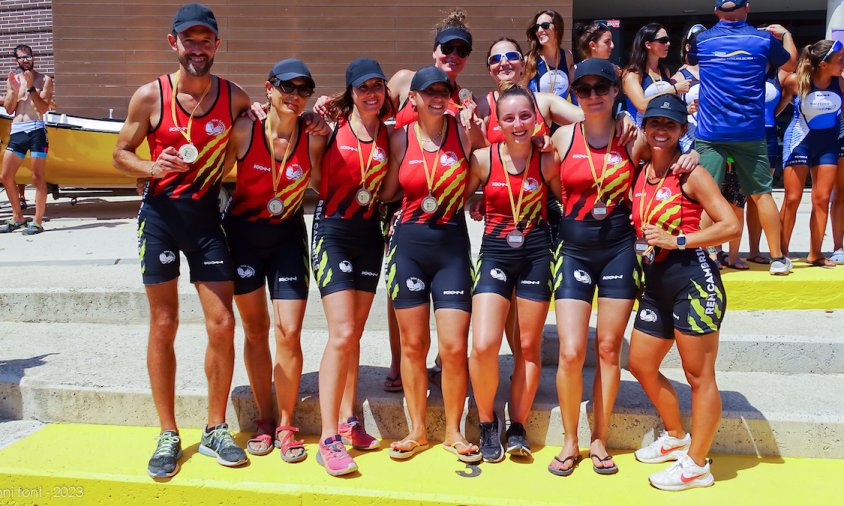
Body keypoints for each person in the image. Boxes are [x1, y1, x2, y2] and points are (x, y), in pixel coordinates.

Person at [112, 3, 253, 479]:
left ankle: (215, 429)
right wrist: (150, 168)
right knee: (164, 323)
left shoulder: (233, 97)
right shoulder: (150, 97)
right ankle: (168, 433)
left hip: (207, 220)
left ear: (217, 45)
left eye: (206, 40)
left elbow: (264, 130)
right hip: (161, 219)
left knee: (221, 323)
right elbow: (120, 153)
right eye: (189, 40)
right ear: (173, 43)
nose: (198, 48)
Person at [629, 94, 740, 491]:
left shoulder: (691, 174)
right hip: (656, 281)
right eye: (654, 123)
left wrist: (679, 240)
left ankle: (696, 466)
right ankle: (676, 436)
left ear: (682, 132)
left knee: (699, 376)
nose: (661, 130)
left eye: (670, 125)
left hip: (694, 279)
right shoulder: (641, 171)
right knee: (640, 363)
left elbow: (730, 226)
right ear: (645, 127)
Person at [222, 58, 327, 468]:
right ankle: (263, 418)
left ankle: (285, 423)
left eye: (304, 90)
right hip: (244, 238)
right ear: (269, 88)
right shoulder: (245, 129)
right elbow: (209, 167)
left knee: (289, 331)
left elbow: (331, 182)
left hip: (286, 237)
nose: (296, 96)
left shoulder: (313, 138)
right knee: (254, 330)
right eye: (288, 87)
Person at [380, 66, 480, 463]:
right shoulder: (400, 138)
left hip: (452, 249)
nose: (438, 97)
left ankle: (454, 431)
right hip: (409, 248)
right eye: (429, 92)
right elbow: (387, 188)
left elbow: (502, 155)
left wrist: (480, 198)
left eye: (444, 90)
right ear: (414, 99)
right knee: (413, 345)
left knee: (454, 348)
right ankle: (417, 430)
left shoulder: (465, 131)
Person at [548, 58, 641, 477]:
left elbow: (670, 154)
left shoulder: (631, 138)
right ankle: (570, 440)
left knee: (607, 349)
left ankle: (598, 437)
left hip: (619, 250)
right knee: (570, 351)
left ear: (614, 91)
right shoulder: (562, 137)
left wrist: (690, 161)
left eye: (600, 88)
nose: (592, 96)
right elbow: (550, 186)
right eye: (583, 90)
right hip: (575, 251)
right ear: (575, 96)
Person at [466, 84, 560, 462]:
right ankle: (488, 422)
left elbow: (566, 200)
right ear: (497, 123)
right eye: (509, 117)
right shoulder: (483, 159)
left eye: (525, 116)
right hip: (495, 253)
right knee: (485, 344)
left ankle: (517, 424)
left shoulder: (546, 160)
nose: (518, 124)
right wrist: (475, 199)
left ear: (535, 118)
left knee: (527, 347)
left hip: (536, 254)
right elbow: (459, 196)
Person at [311, 58, 395, 476]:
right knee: (342, 332)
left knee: (356, 333)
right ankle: (327, 438)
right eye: (363, 87)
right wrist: (315, 123)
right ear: (350, 92)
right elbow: (310, 172)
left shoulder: (389, 132)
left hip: (369, 236)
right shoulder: (331, 125)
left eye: (377, 86)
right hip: (333, 232)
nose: (372, 93)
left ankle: (348, 419)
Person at [690, 0, 797, 275]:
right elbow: (790, 63)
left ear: (716, 12)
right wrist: (784, 34)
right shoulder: (762, 40)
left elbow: (691, 61)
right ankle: (776, 259)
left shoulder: (702, 40)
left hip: (711, 131)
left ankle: (699, 258)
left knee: (706, 195)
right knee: (761, 194)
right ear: (747, 8)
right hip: (750, 131)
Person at [779, 40, 843, 266]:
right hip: (800, 142)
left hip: (828, 144)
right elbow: (776, 110)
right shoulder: (795, 82)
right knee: (792, 198)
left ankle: (815, 253)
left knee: (822, 199)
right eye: (840, 59)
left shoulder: (841, 83)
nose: (843, 63)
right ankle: (782, 254)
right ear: (824, 64)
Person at [0, 44, 54, 235]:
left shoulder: (45, 79)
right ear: (16, 60)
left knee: (37, 177)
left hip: (37, 130)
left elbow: (43, 108)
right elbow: (8, 109)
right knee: (6, 176)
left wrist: (31, 87)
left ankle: (37, 221)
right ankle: (18, 217)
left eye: (28, 56)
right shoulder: (13, 79)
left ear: (33, 58)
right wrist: (14, 92)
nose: (26, 60)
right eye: (21, 58)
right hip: (18, 131)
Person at [623, 23, 691, 127]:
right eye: (663, 40)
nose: (668, 43)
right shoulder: (632, 74)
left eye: (668, 40)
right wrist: (674, 89)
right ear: (648, 45)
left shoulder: (664, 70)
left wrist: (686, 109)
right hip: (640, 135)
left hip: (662, 132)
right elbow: (642, 106)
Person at [523, 10, 575, 101]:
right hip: (539, 114)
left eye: (545, 26)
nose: (539, 30)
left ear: (557, 28)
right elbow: (521, 94)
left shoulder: (567, 56)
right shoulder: (530, 60)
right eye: (537, 27)